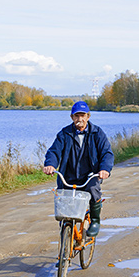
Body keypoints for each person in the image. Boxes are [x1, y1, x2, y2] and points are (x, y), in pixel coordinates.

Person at [43, 100, 113, 238]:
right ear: (71, 117)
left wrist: (104, 169)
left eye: (82, 115)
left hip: (90, 176)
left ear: (88, 116)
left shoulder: (97, 133)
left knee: (94, 190)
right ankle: (64, 252)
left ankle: (95, 221)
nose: (79, 119)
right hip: (68, 176)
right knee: (64, 209)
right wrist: (50, 164)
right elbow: (54, 151)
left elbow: (107, 153)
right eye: (76, 116)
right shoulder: (65, 133)